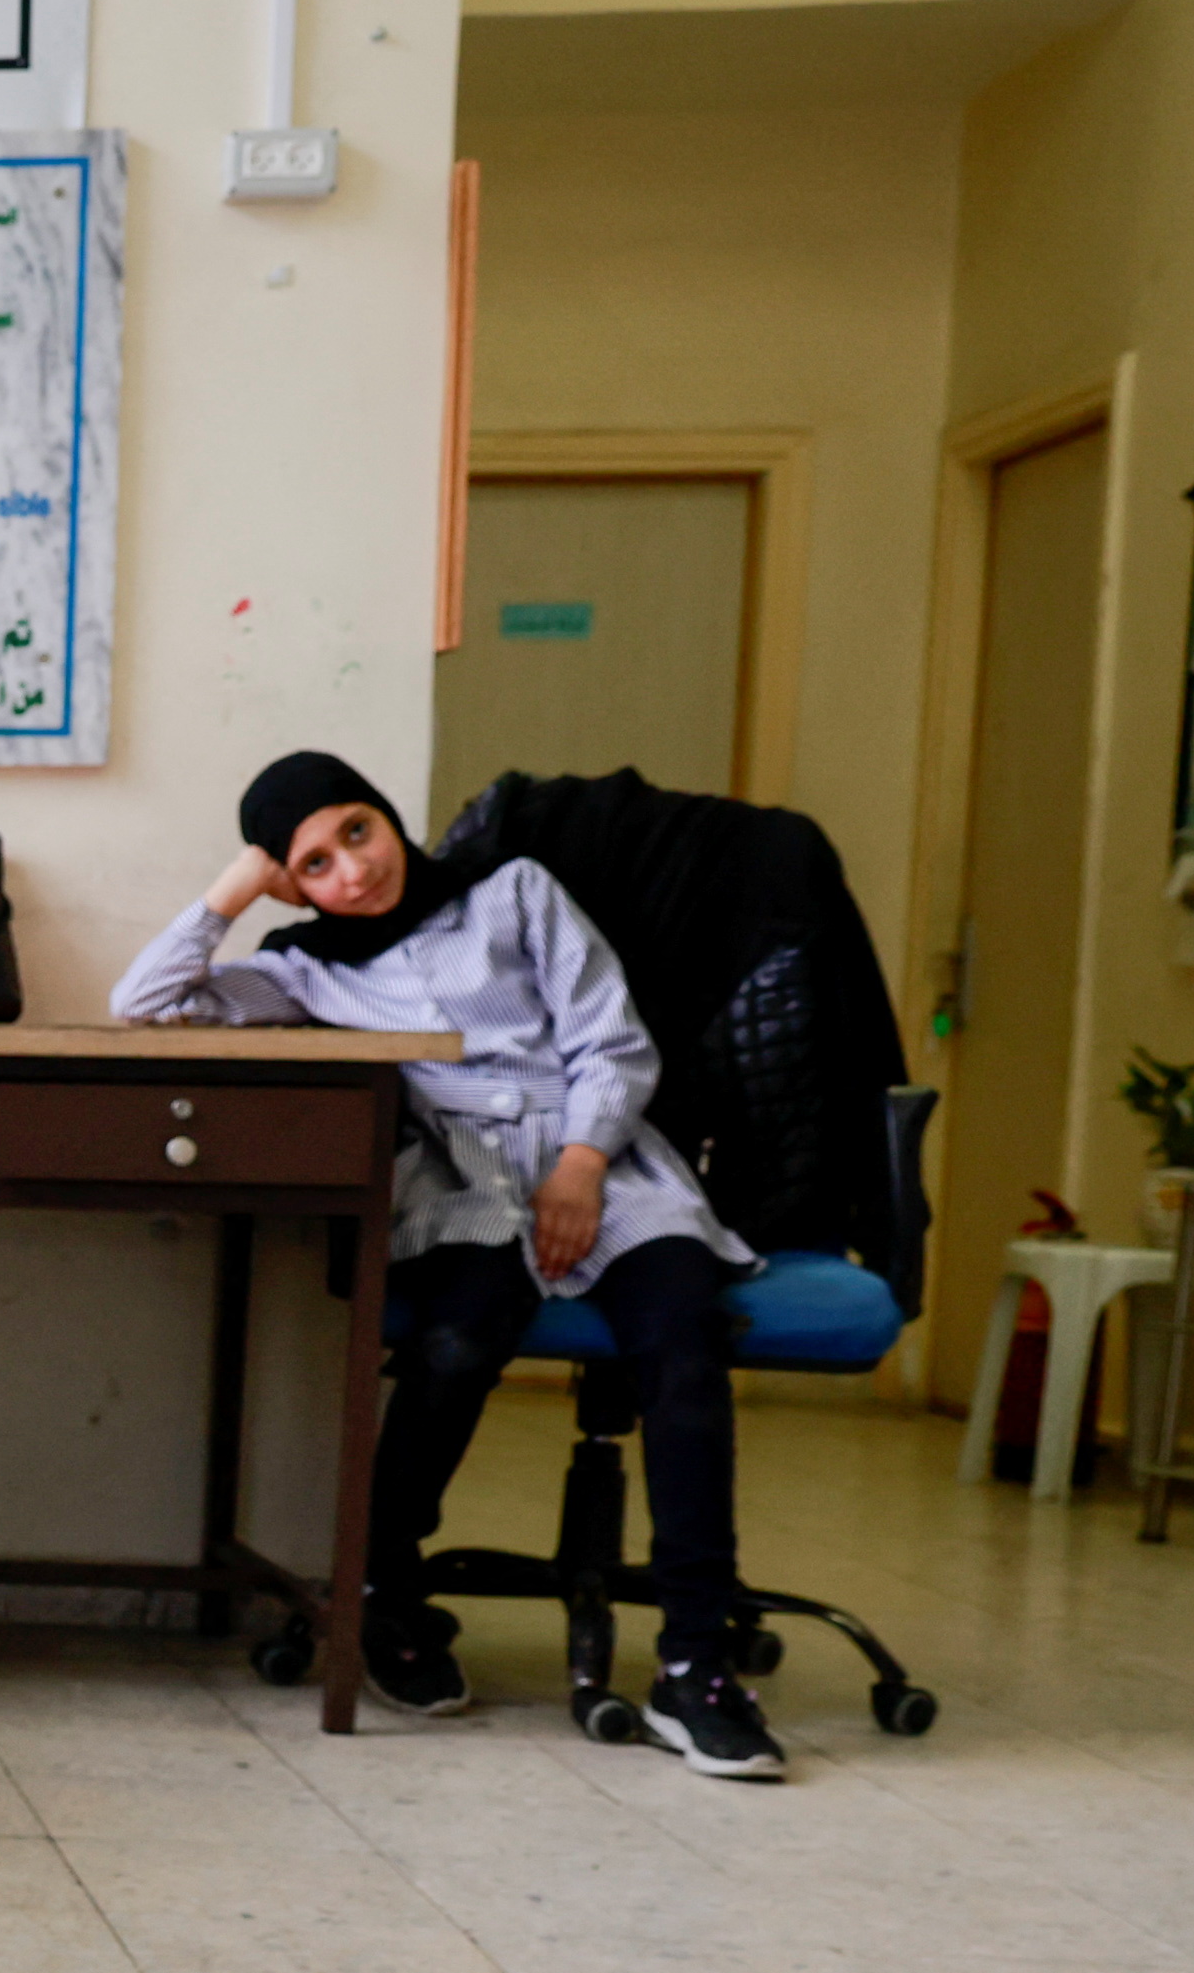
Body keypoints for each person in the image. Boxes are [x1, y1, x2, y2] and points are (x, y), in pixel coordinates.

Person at [112, 749, 781, 1777]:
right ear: (291, 883)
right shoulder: (309, 967)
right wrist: (237, 888)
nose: (351, 870)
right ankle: (381, 1590)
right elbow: (145, 1004)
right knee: (456, 1342)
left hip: (601, 1162)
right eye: (314, 863)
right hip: (472, 1183)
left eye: (356, 831)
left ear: (386, 815)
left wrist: (582, 1166)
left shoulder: (514, 892)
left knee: (683, 1348)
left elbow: (613, 1039)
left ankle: (695, 1664)